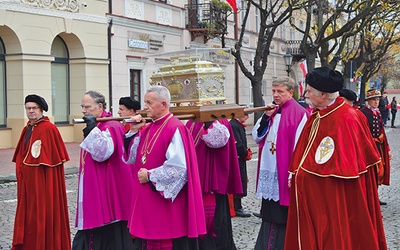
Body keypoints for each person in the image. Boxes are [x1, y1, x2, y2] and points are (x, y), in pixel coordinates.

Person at [285, 67, 387, 250]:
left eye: (308, 91)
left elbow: (341, 170)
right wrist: (296, 174)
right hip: (317, 200)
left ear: (323, 94)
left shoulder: (346, 118)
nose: (305, 95)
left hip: (336, 200)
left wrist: (305, 178)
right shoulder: (319, 114)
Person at [124, 85, 206, 250]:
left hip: (163, 201)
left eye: (149, 102)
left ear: (163, 105)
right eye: (145, 102)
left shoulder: (174, 127)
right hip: (146, 197)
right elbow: (132, 158)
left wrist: (150, 175)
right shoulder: (148, 127)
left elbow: (179, 168)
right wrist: (133, 132)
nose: (145, 106)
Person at [252, 76, 309, 250]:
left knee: (283, 215)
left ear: (290, 93)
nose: (275, 95)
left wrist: (294, 172)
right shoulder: (272, 111)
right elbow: (257, 136)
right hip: (269, 170)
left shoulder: (300, 114)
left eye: (280, 92)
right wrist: (265, 117)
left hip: (285, 173)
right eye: (274, 91)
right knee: (269, 212)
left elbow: (301, 146)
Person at [72, 91, 134, 250]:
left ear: (100, 106)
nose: (84, 111)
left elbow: (103, 153)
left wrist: (92, 129)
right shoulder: (99, 124)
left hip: (107, 188)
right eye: (82, 107)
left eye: (87, 107)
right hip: (94, 184)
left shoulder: (111, 125)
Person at [12, 94, 71, 250]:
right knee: (29, 218)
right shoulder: (27, 129)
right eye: (28, 108)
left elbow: (50, 164)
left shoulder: (49, 129)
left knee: (41, 217)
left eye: (34, 108)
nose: (31, 111)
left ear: (41, 109)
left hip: (43, 185)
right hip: (28, 186)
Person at [186, 116, 243, 250]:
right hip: (194, 181)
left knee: (215, 226)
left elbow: (217, 142)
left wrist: (208, 122)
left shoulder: (219, 122)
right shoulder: (190, 121)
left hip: (212, 185)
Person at [359, 89, 391, 204]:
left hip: (378, 146)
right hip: (368, 147)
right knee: (370, 172)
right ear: (368, 101)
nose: (376, 102)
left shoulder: (377, 112)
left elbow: (382, 130)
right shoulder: (363, 113)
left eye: (377, 99)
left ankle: (375, 196)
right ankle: (369, 198)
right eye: (373, 100)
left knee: (378, 172)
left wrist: (386, 148)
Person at [229, 109, 253, 218]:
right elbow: (237, 144)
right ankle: (237, 207)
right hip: (237, 159)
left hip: (240, 158)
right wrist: (245, 153)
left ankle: (238, 206)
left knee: (241, 180)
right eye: (245, 115)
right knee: (238, 181)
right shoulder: (234, 125)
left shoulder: (237, 125)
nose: (247, 117)